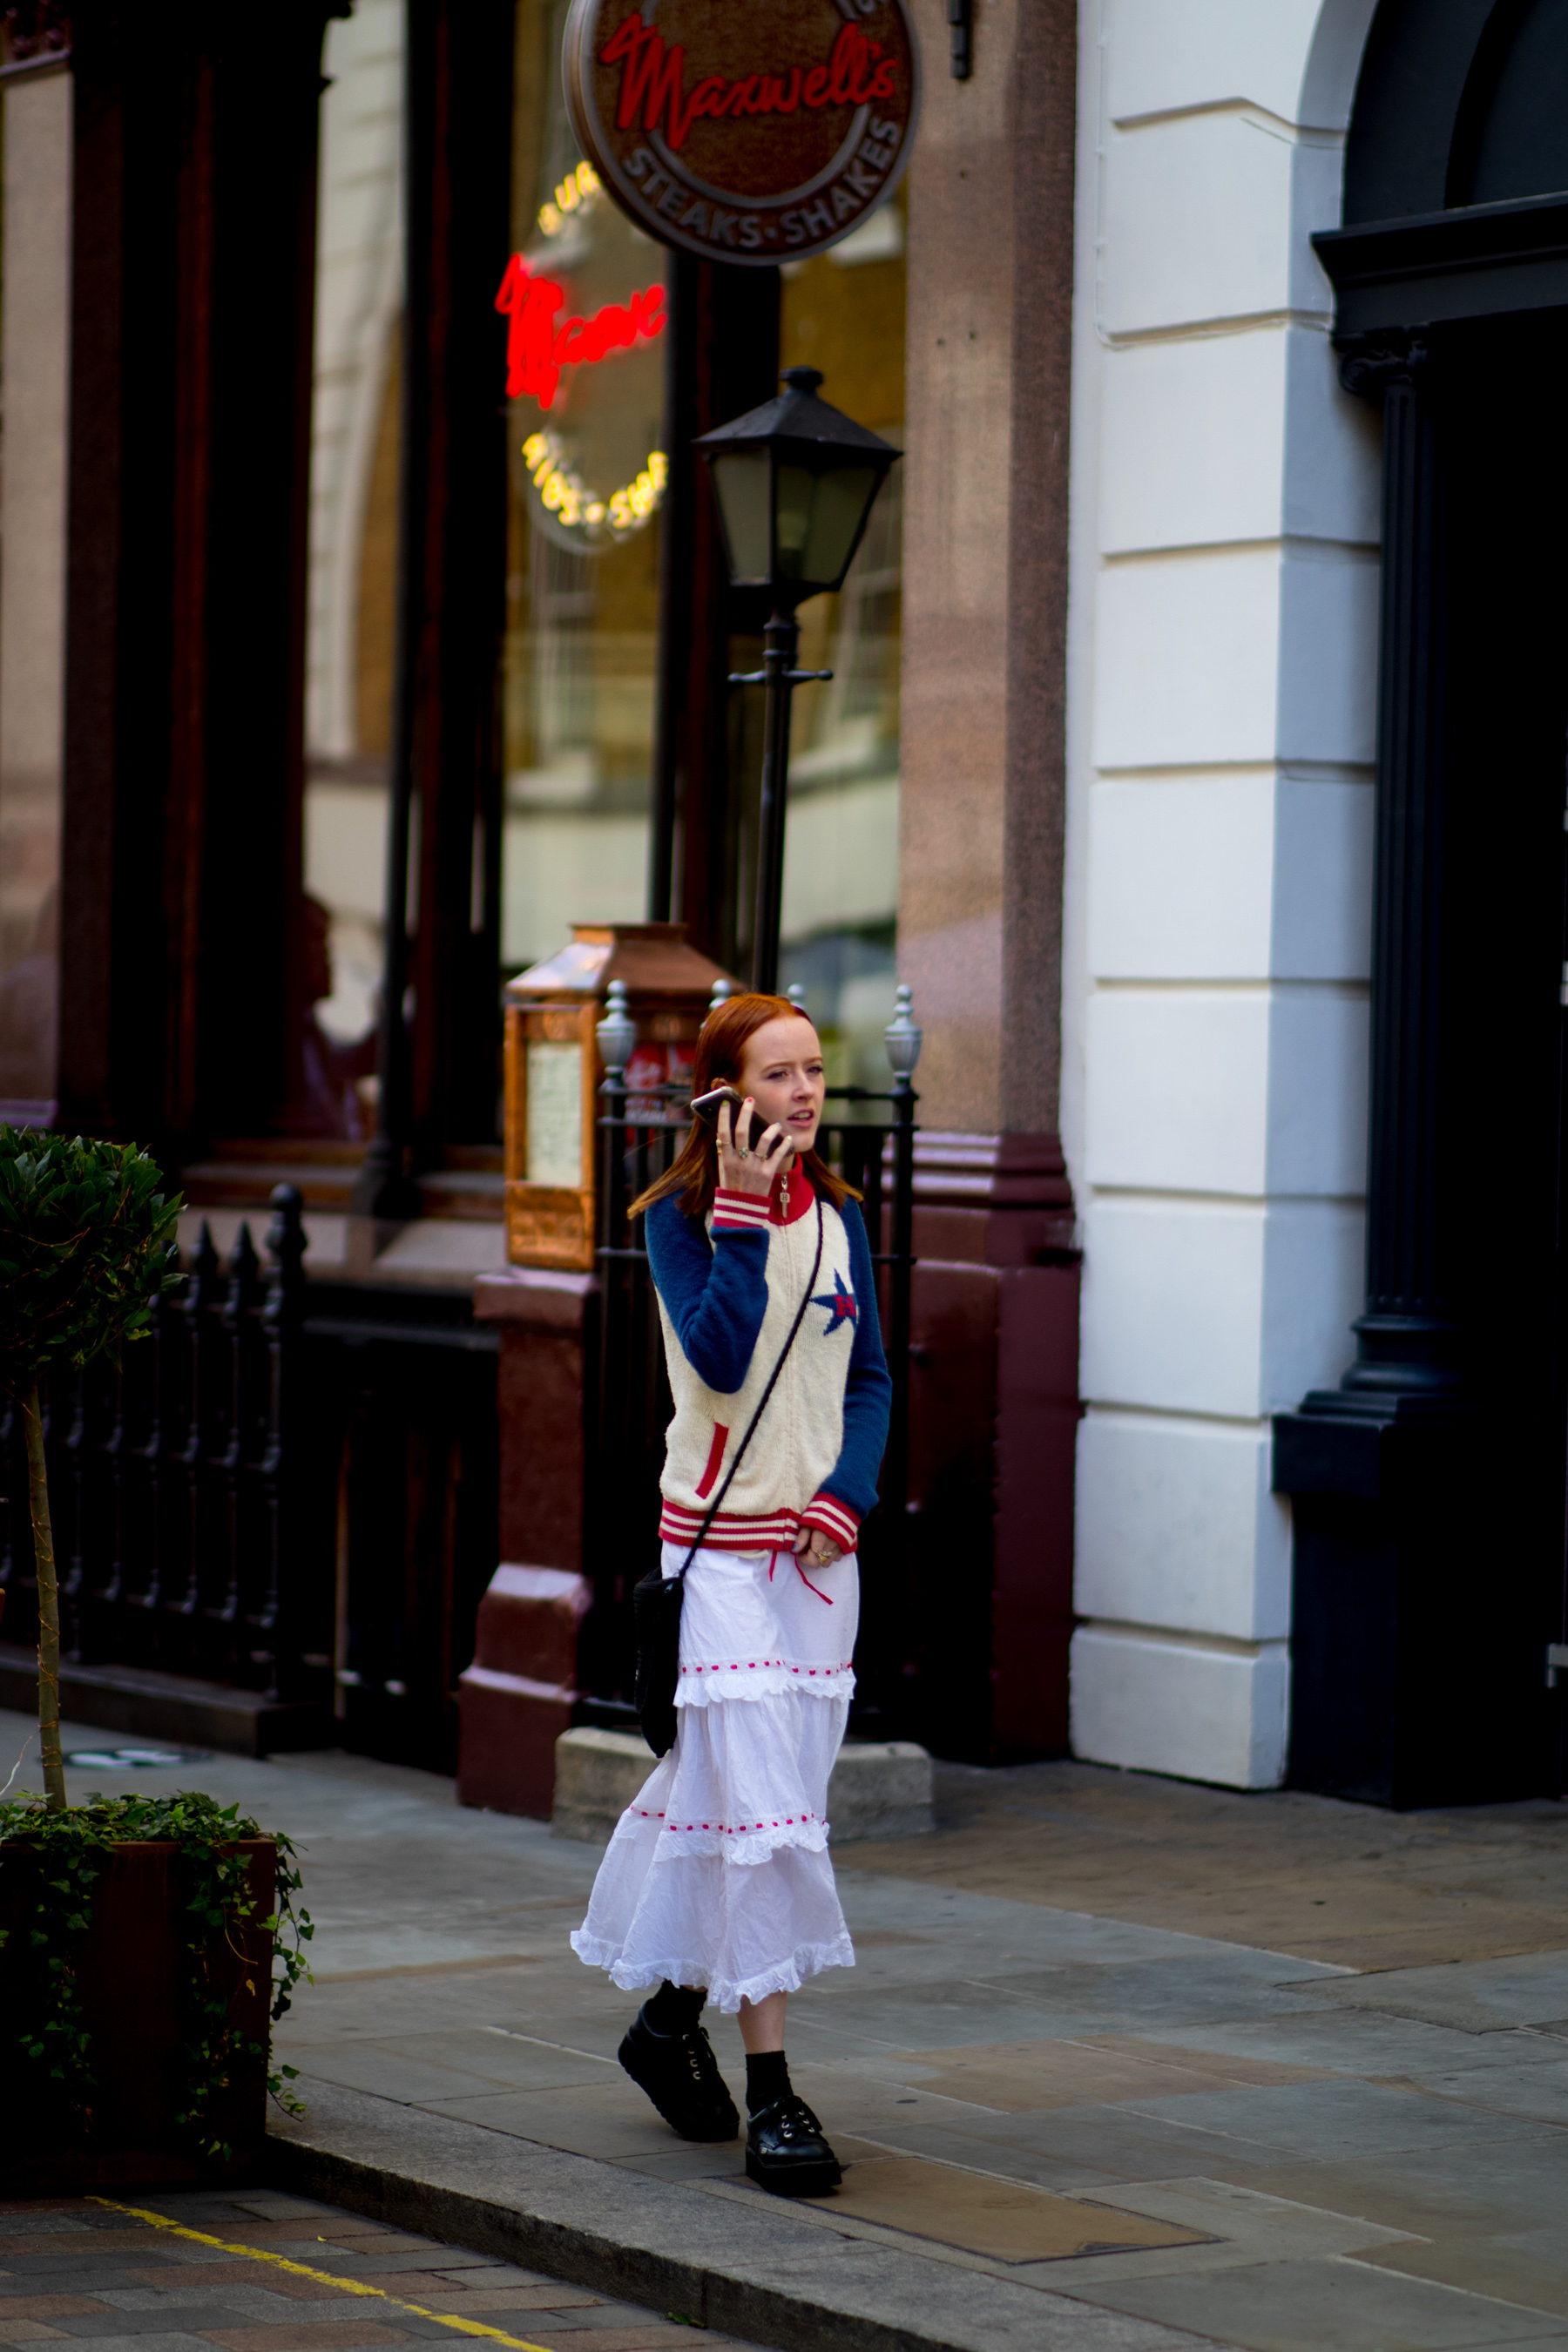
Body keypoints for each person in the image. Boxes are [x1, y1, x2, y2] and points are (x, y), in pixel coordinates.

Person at [571, 990, 891, 2197]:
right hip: (715, 1562)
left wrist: (842, 1498)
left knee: (767, 1813)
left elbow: (867, 1382)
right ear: (725, 1094)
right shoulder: (678, 1218)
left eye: (815, 1071)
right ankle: (776, 2096)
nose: (805, 1093)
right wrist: (747, 1215)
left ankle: (668, 2026)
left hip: (816, 1561)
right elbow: (714, 1357)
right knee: (761, 1822)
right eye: (779, 1075)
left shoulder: (845, 1216)